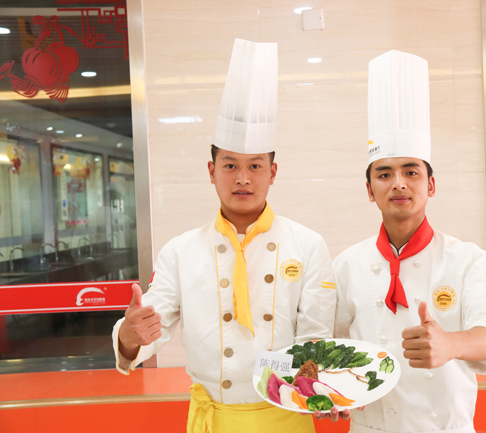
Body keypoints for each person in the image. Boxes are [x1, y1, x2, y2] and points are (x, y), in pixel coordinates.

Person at [112, 39, 338, 433]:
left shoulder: (308, 245)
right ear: (211, 171)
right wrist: (130, 336)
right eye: (230, 165)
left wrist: (323, 387)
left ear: (273, 172)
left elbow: (315, 338)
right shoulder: (180, 252)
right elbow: (148, 328)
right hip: (213, 419)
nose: (243, 178)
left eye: (255, 166)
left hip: (286, 418)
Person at [330, 50, 486, 433]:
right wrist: (331, 389)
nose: (398, 183)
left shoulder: (466, 259)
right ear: (369, 190)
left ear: (430, 185)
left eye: (411, 172)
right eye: (384, 174)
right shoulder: (346, 265)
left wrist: (452, 344)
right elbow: (331, 346)